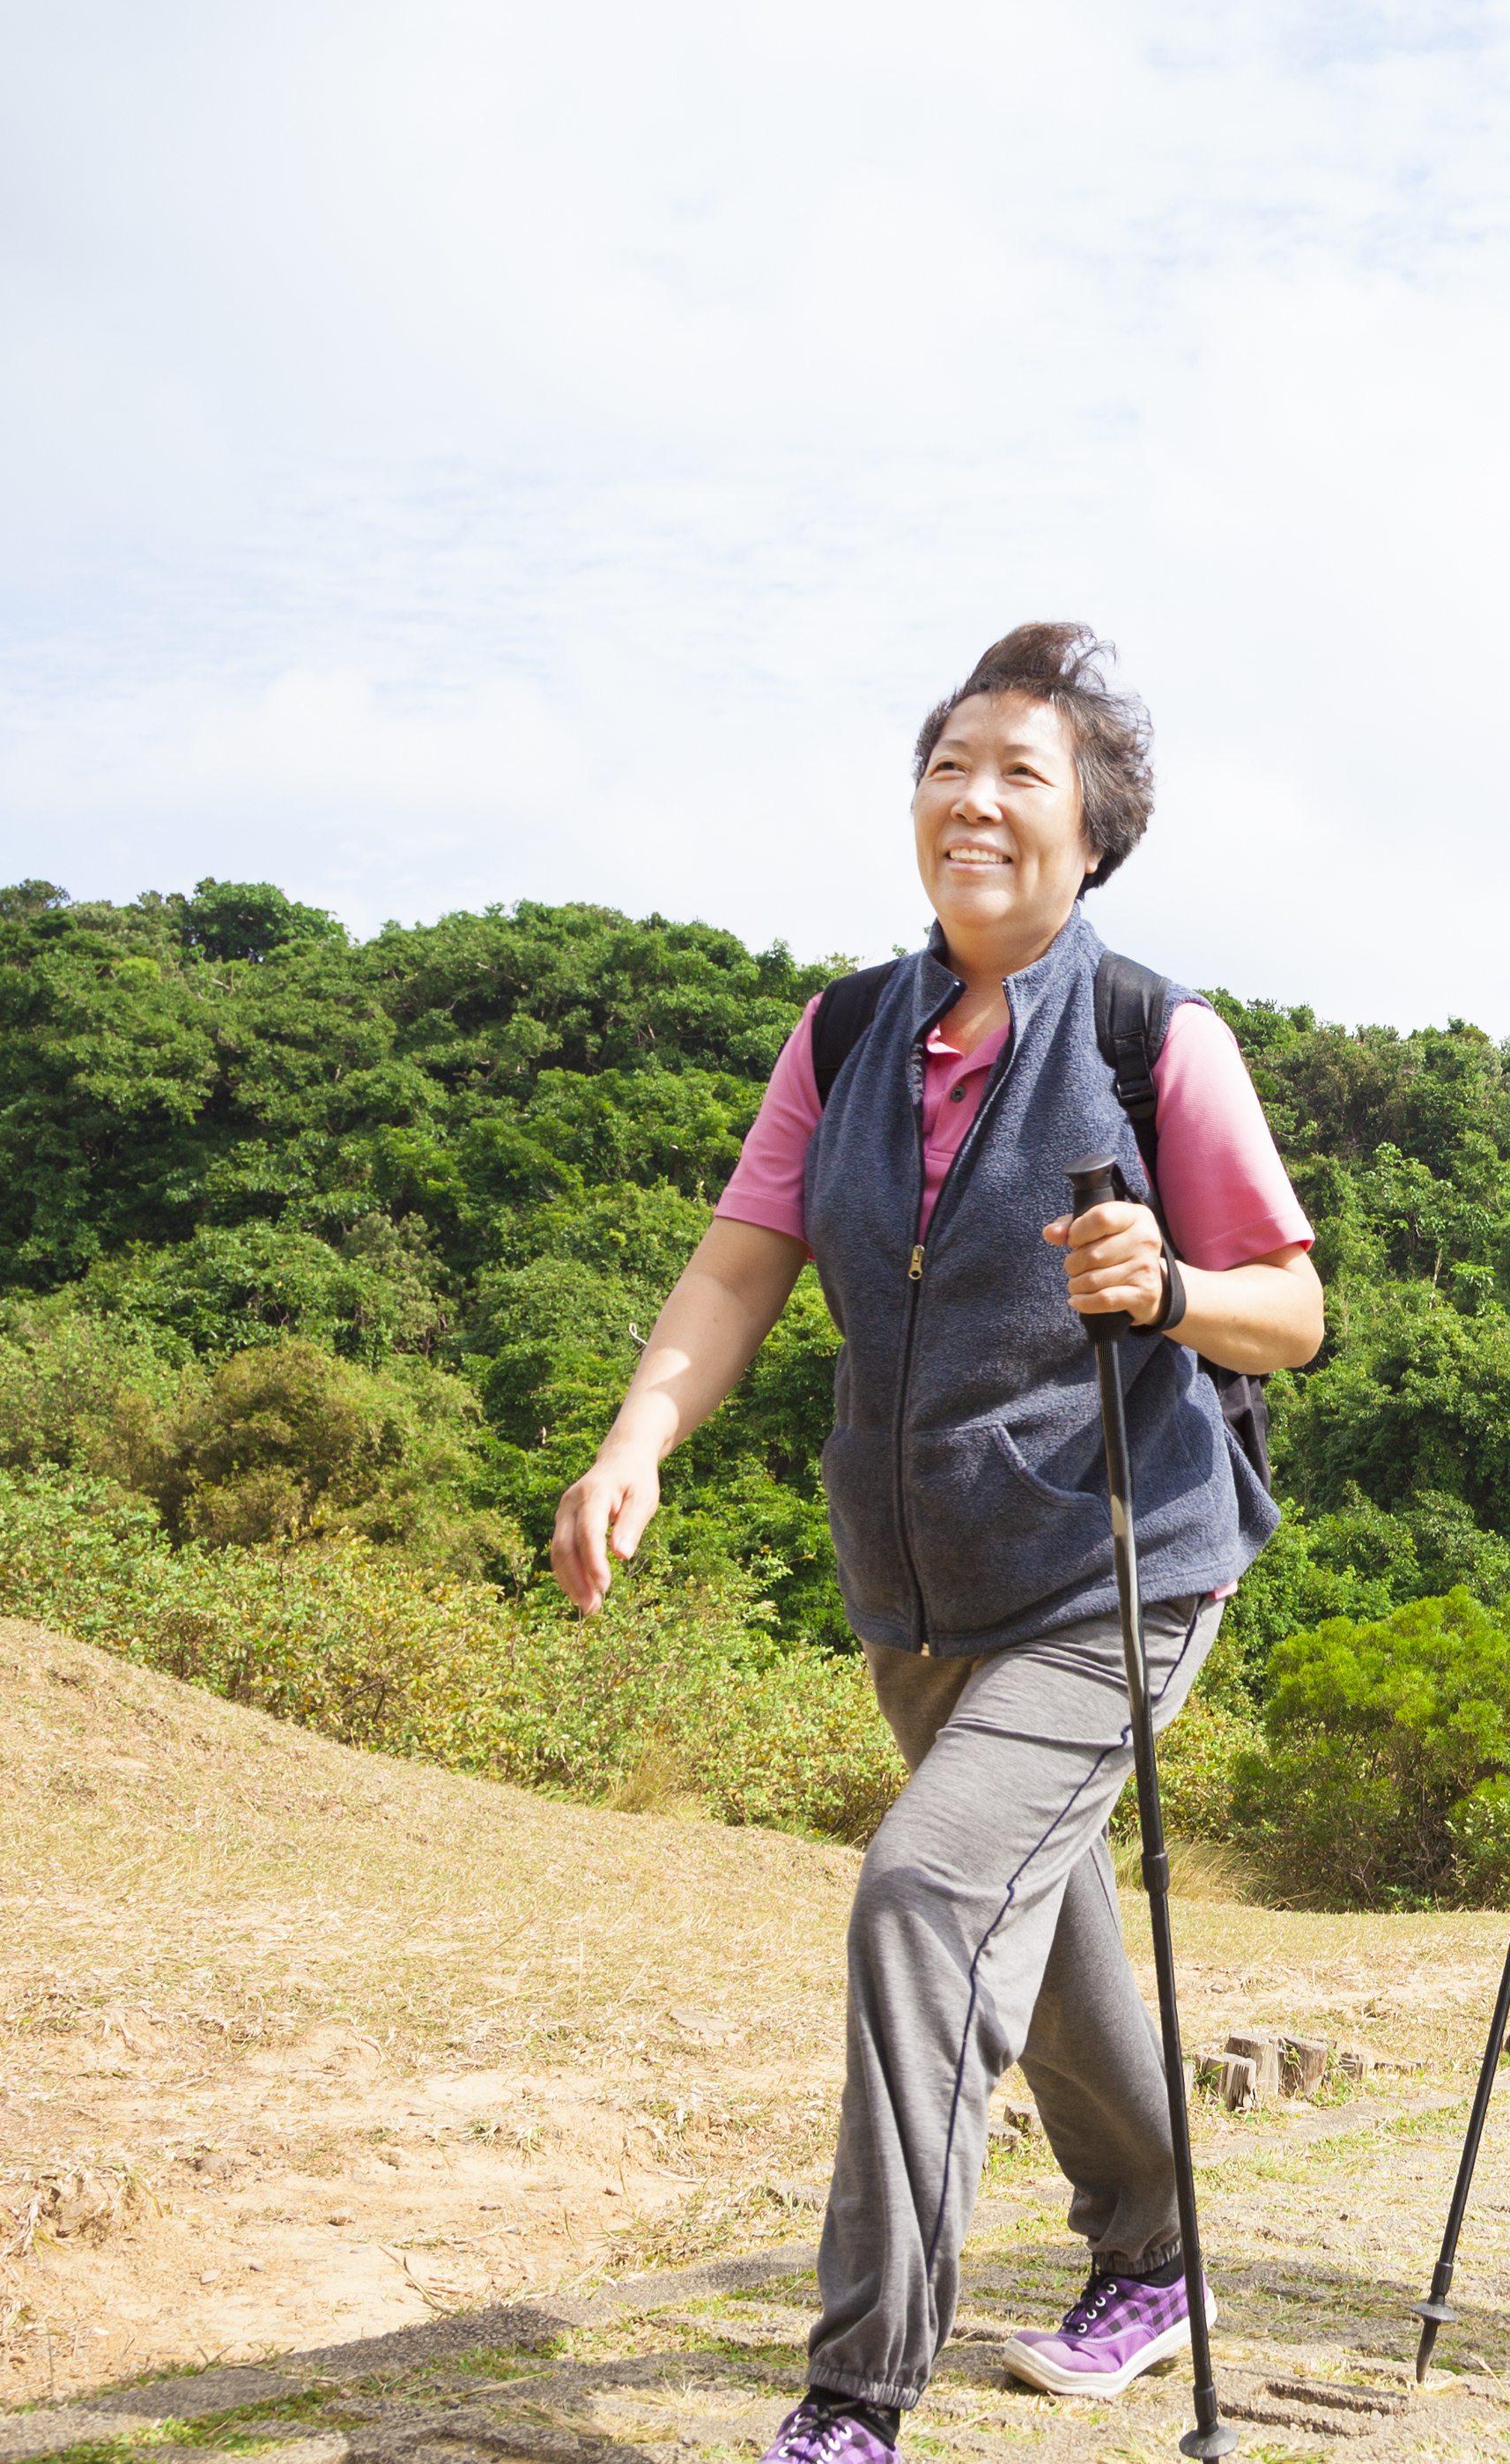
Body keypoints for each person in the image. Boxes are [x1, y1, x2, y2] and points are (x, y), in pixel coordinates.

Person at [547, 624, 1324, 2464]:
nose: (974, 798)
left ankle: (853, 2393)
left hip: (1116, 1568)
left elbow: (1292, 1310)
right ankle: (1154, 2248)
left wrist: (1176, 1280)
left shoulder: (1157, 1037)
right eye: (949, 763)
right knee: (1034, 1931)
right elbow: (745, 1256)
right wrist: (636, 1437)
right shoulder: (843, 1032)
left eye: (1022, 772)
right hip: (918, 1582)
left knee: (923, 1895)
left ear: (1094, 829)